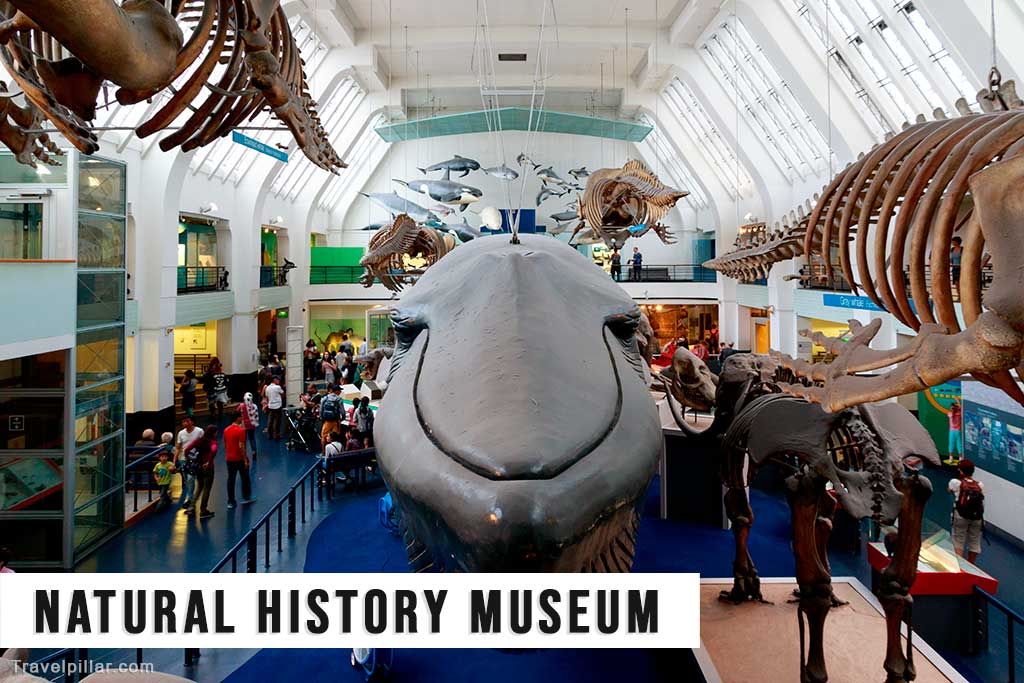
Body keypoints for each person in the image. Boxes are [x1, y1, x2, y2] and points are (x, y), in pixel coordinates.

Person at [948, 459, 984, 563]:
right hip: (977, 517)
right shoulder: (980, 485)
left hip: (960, 516)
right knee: (975, 542)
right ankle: (971, 565)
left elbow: (949, 490)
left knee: (958, 541)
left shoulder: (955, 482)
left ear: (961, 471)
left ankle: (959, 566)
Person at [224, 411, 255, 510]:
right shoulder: (241, 430)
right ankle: (246, 496)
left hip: (229, 458)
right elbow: (241, 446)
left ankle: (231, 501)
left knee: (231, 480)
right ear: (237, 418)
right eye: (241, 417)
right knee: (245, 478)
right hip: (239, 458)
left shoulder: (226, 430)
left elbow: (225, 444)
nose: (242, 418)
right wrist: (245, 459)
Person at [190, 425, 219, 518]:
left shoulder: (199, 440)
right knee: (207, 488)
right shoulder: (213, 442)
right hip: (208, 467)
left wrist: (190, 459)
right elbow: (213, 450)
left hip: (198, 466)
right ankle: (203, 510)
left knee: (199, 487)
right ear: (213, 433)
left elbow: (187, 449)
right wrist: (209, 461)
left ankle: (191, 507)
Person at [174, 417, 204, 510]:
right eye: (183, 422)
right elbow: (178, 447)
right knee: (187, 480)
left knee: (191, 478)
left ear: (192, 422)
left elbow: (204, 444)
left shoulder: (199, 431)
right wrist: (174, 461)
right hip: (184, 459)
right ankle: (190, 497)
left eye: (187, 421)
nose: (185, 423)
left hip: (195, 459)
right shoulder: (181, 433)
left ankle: (190, 499)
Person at [320, 384, 344, 454]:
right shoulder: (339, 399)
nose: (340, 392)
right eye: (339, 390)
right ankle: (336, 451)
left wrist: (322, 418)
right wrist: (342, 418)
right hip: (335, 421)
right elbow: (342, 411)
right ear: (336, 391)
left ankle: (323, 452)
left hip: (327, 421)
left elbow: (321, 409)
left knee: (323, 436)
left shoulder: (325, 398)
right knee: (335, 437)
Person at [240, 392, 260, 457]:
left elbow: (237, 412)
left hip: (243, 426)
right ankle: (254, 452)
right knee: (252, 438)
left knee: (243, 440)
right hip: (252, 425)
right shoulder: (254, 406)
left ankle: (244, 452)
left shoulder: (241, 406)